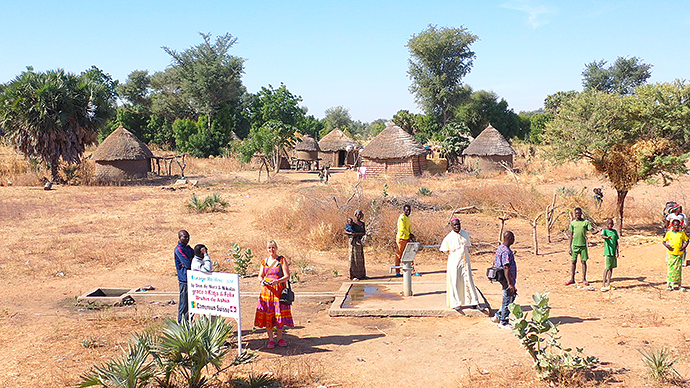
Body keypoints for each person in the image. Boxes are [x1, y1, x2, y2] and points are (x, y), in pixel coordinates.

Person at [254, 240, 294, 348]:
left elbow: (287, 276)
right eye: (269, 248)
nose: (271, 250)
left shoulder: (281, 260)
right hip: (266, 292)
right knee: (268, 313)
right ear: (267, 249)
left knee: (278, 313)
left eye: (273, 248)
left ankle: (280, 338)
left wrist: (278, 281)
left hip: (278, 292)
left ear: (276, 248)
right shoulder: (264, 262)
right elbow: (260, 275)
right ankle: (271, 339)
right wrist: (262, 281)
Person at [440, 218, 481, 310]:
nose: (457, 226)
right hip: (454, 262)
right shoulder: (449, 237)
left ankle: (473, 301)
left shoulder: (465, 234)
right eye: (454, 225)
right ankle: (455, 303)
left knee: (468, 279)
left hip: (465, 262)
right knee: (455, 280)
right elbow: (445, 250)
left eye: (458, 224)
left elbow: (467, 245)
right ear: (451, 226)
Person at [491, 231, 517, 329]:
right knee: (508, 298)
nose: (514, 240)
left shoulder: (500, 248)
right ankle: (503, 321)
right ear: (509, 238)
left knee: (508, 297)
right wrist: (510, 284)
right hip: (507, 278)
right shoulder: (506, 251)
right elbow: (506, 267)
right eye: (513, 237)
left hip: (502, 277)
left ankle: (498, 316)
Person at [566, 207, 594, 286]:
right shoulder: (573, 223)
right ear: (574, 214)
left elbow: (592, 231)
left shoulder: (585, 222)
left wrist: (598, 231)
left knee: (583, 262)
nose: (577, 215)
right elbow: (571, 235)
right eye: (576, 213)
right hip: (575, 245)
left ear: (581, 214)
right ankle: (572, 279)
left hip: (583, 246)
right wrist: (569, 247)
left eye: (579, 213)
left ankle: (584, 279)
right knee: (573, 262)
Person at [663, 219, 689, 291]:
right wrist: (667, 246)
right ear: (672, 225)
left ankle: (679, 285)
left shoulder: (682, 233)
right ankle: (669, 285)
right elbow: (664, 241)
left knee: (678, 269)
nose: (676, 226)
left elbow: (687, 240)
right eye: (675, 225)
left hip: (679, 254)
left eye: (678, 225)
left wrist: (683, 247)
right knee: (671, 269)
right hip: (671, 254)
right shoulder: (669, 233)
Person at [174, 230, 193, 324]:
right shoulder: (179, 249)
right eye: (184, 237)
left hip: (192, 278)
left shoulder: (188, 248)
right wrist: (189, 260)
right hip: (184, 279)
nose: (187, 239)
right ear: (180, 237)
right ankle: (181, 324)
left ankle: (188, 322)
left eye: (188, 237)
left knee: (191, 303)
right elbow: (188, 263)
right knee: (183, 303)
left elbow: (197, 257)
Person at [395, 204, 419, 276]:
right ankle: (397, 271)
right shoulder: (402, 217)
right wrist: (409, 234)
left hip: (407, 238)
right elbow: (402, 229)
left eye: (409, 210)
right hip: (401, 238)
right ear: (404, 210)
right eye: (407, 210)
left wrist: (411, 234)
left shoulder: (407, 218)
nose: (408, 211)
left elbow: (408, 228)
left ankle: (412, 271)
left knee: (409, 254)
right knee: (399, 254)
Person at [345, 210, 367, 280]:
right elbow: (345, 231)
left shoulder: (362, 224)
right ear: (355, 215)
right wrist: (351, 234)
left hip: (359, 242)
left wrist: (357, 234)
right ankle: (352, 275)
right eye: (358, 215)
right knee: (352, 258)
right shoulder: (352, 222)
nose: (359, 216)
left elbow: (363, 232)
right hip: (353, 242)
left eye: (360, 215)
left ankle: (361, 275)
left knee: (360, 258)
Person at [601, 218, 619, 292]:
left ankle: (608, 284)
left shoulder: (614, 232)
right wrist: (606, 237)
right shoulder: (605, 231)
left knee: (611, 268)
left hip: (613, 252)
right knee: (607, 268)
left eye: (611, 224)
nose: (610, 225)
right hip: (608, 252)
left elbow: (617, 242)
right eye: (609, 224)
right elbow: (602, 236)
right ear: (606, 224)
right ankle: (603, 285)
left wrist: (617, 251)